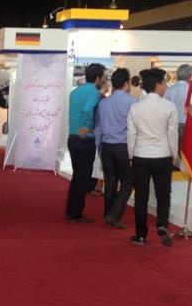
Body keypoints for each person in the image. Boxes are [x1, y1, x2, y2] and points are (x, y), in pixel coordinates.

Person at [127, 68, 178, 246]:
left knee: (141, 196)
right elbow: (172, 134)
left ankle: (141, 235)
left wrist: (131, 156)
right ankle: (162, 224)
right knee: (163, 194)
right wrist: (174, 154)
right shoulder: (169, 107)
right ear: (157, 86)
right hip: (163, 155)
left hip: (141, 155)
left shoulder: (135, 107)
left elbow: (131, 135)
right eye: (164, 83)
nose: (166, 86)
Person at [64, 63, 106, 223]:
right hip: (85, 140)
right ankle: (76, 213)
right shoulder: (94, 93)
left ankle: (71, 209)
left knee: (77, 176)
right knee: (83, 178)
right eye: (103, 77)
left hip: (72, 138)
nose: (104, 80)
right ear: (98, 78)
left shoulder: (74, 92)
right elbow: (88, 109)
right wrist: (87, 127)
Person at [95, 67, 136, 228]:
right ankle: (113, 215)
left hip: (106, 146)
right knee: (127, 182)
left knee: (110, 181)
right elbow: (135, 128)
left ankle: (108, 214)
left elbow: (98, 128)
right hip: (123, 147)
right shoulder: (133, 103)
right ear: (126, 83)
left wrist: (99, 147)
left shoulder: (103, 103)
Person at [167, 64, 192, 148]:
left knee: (173, 148)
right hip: (187, 124)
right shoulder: (191, 90)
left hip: (172, 123)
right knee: (186, 149)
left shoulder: (169, 90)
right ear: (189, 76)